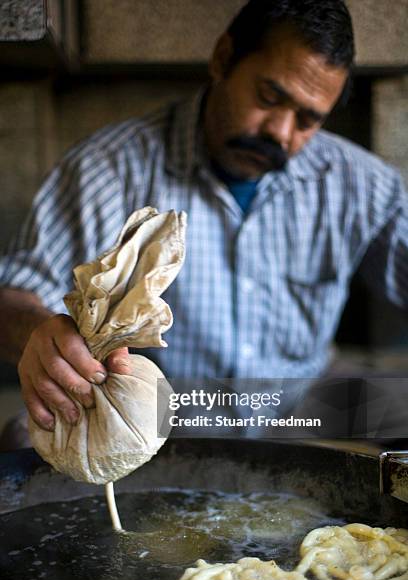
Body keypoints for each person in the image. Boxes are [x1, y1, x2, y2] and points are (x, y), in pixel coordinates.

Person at [0, 0, 407, 442]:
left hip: (302, 406)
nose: (282, 132)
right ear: (223, 58)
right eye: (269, 97)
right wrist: (39, 337)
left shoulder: (361, 183)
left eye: (308, 120)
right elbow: (15, 301)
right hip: (165, 417)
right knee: (25, 436)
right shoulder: (108, 169)